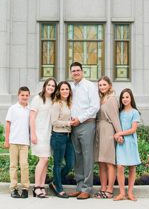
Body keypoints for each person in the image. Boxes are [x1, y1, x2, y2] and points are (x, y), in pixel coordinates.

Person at [67, 62, 99, 199]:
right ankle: (79, 187)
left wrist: (80, 119)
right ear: (70, 73)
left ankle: (87, 188)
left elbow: (95, 107)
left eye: (78, 70)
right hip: (74, 126)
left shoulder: (90, 86)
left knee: (87, 157)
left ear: (82, 71)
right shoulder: (71, 87)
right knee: (78, 157)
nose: (75, 72)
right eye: (73, 71)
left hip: (87, 124)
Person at [29, 78, 57, 198]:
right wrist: (33, 134)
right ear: (45, 86)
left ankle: (41, 186)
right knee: (43, 159)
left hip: (48, 134)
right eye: (49, 85)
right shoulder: (37, 99)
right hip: (39, 133)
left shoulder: (53, 100)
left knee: (46, 161)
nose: (50, 87)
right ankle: (36, 187)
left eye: (53, 86)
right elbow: (31, 117)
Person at [95, 76, 121, 199]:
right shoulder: (101, 99)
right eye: (100, 85)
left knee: (109, 161)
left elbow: (115, 117)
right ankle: (103, 188)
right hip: (99, 130)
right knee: (101, 162)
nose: (102, 87)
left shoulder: (112, 99)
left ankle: (110, 190)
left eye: (104, 84)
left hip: (108, 131)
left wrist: (119, 133)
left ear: (110, 85)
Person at [5, 86, 33, 198]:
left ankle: (25, 188)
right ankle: (13, 188)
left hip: (25, 142)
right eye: (22, 95)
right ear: (18, 95)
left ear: (29, 96)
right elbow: (8, 125)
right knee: (13, 165)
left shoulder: (30, 110)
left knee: (24, 165)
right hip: (13, 141)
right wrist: (7, 140)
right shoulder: (13, 108)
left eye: (26, 95)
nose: (24, 97)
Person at [114, 88, 142, 201]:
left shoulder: (135, 112)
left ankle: (130, 193)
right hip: (121, 143)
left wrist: (120, 133)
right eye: (123, 97)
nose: (125, 99)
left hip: (130, 142)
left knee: (132, 167)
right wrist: (119, 137)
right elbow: (117, 126)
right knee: (120, 166)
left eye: (127, 97)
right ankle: (121, 193)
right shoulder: (119, 112)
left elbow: (133, 129)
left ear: (131, 98)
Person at [49, 81, 75, 198]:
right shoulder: (57, 104)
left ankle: (55, 182)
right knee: (58, 164)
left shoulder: (69, 103)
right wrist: (69, 122)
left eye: (67, 89)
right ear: (59, 91)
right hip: (58, 136)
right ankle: (59, 188)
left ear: (70, 91)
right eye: (63, 89)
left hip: (68, 137)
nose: (65, 91)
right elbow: (54, 122)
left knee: (70, 163)